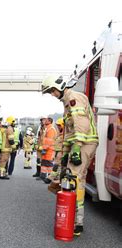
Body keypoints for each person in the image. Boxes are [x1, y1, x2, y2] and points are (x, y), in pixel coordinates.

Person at [41, 75, 98, 236]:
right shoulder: (67, 102)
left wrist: (76, 147)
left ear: (59, 87)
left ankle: (76, 222)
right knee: (72, 178)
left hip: (85, 143)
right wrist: (63, 156)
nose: (52, 94)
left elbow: (82, 124)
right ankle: (75, 219)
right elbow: (69, 133)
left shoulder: (74, 98)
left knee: (73, 178)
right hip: (78, 143)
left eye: (52, 91)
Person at [39, 117, 57, 184]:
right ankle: (43, 176)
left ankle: (49, 178)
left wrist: (44, 148)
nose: (45, 121)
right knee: (44, 163)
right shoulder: (47, 128)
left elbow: (49, 140)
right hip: (47, 149)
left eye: (46, 120)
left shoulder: (51, 129)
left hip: (49, 150)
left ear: (50, 121)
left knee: (49, 164)